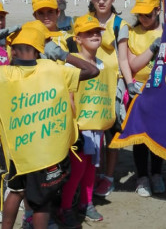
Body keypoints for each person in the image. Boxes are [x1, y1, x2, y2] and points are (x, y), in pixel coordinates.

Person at [0, 21, 99, 229]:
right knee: (42, 204)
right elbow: (92, 70)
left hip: (18, 152)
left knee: (16, 191)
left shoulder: (5, 75)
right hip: (44, 154)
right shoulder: (53, 70)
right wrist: (65, 55)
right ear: (39, 51)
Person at [57, 14, 117, 228]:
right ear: (78, 38)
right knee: (77, 170)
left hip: (97, 126)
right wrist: (75, 127)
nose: (94, 35)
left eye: (97, 32)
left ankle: (86, 202)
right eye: (88, 32)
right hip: (80, 129)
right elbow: (70, 98)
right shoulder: (72, 64)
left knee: (92, 168)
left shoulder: (105, 64)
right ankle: (65, 207)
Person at [85, 0, 136, 197]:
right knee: (93, 131)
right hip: (90, 83)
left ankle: (108, 176)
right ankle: (92, 173)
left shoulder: (120, 24)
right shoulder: (86, 21)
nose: (102, 1)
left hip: (113, 83)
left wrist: (130, 83)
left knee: (112, 132)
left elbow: (123, 59)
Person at [127, 0, 165, 197]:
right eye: (139, 14)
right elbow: (133, 65)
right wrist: (152, 48)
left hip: (162, 91)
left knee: (158, 134)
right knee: (140, 137)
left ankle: (157, 173)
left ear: (158, 10)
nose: (142, 18)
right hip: (140, 91)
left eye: (147, 14)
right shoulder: (134, 34)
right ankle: (142, 176)